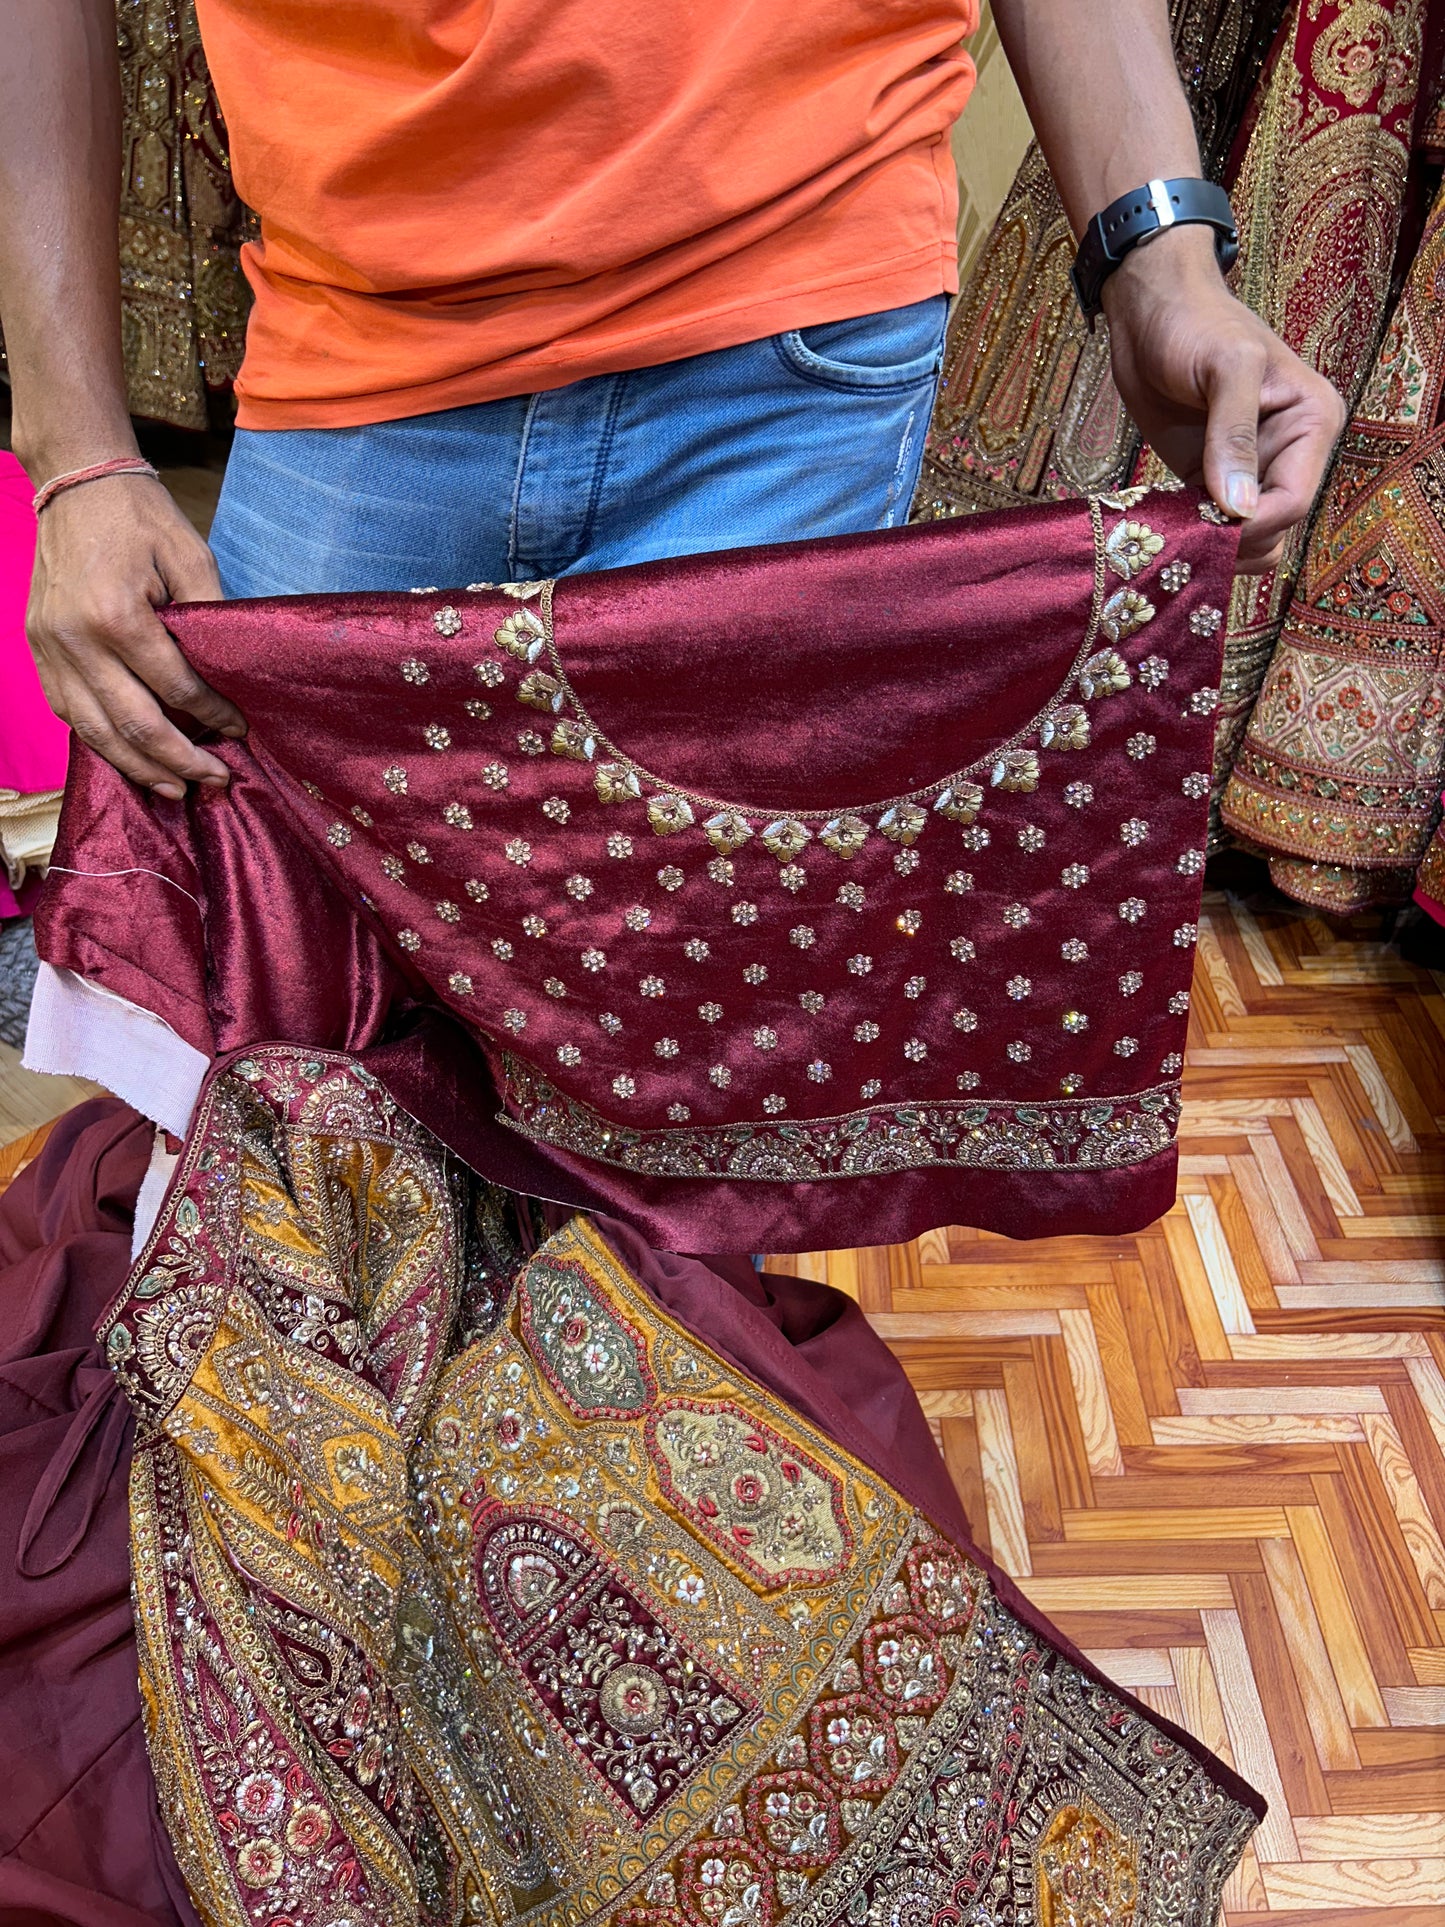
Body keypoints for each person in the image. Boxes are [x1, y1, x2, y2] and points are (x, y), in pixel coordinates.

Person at [2, 0, 1342, 799]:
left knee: (699, 1070)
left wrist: (1162, 260)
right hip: (356, 340)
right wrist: (76, 456)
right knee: (297, 1057)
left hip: (796, 329)